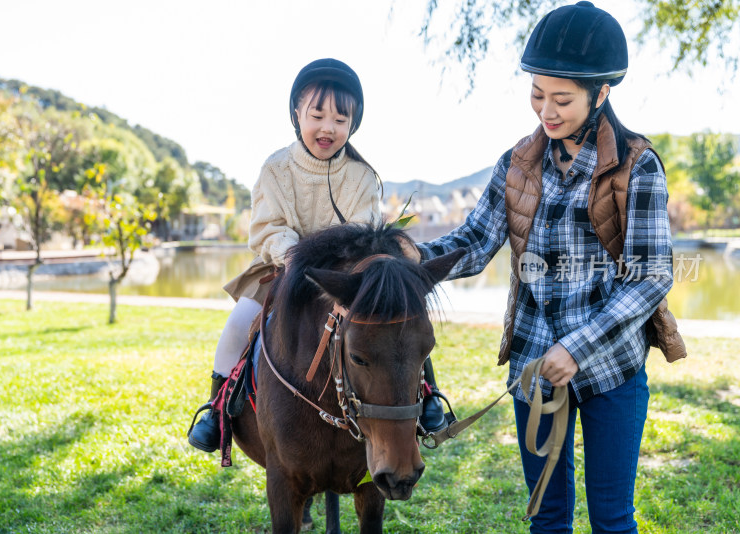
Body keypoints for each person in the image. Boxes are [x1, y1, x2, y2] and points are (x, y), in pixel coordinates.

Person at [409, 2, 684, 532]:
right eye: (537, 95)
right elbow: (475, 240)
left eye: (562, 100)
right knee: (546, 519)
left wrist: (574, 349)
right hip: (534, 368)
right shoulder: (516, 163)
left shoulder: (637, 165)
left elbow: (652, 276)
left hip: (611, 368)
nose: (546, 112)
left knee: (612, 520)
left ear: (601, 94)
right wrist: (413, 260)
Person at [188, 58, 451, 454]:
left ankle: (428, 393)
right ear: (297, 113)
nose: (328, 127)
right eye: (317, 114)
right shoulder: (275, 168)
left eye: (341, 119)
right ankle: (219, 406)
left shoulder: (361, 177)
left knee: (397, 325)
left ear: (353, 124)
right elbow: (268, 226)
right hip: (282, 269)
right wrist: (294, 258)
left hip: (347, 279)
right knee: (238, 323)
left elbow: (362, 234)